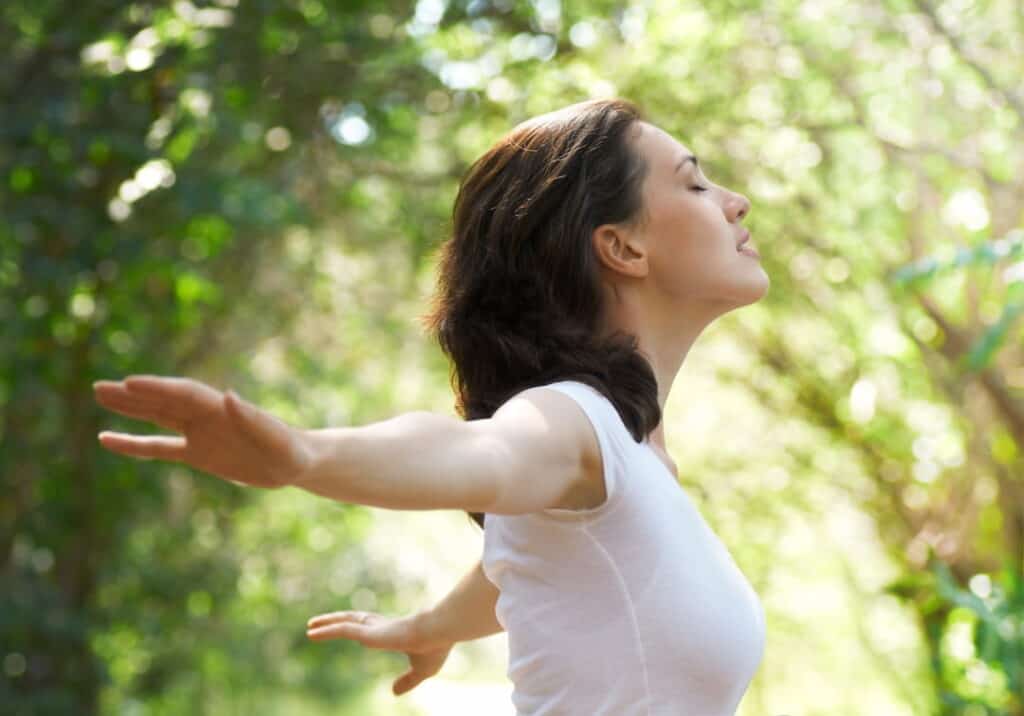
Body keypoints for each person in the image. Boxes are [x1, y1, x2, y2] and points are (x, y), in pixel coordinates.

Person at [94, 97, 770, 715]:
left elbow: (529, 565)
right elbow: (477, 451)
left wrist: (433, 625)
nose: (735, 201)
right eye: (695, 182)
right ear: (622, 246)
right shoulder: (574, 421)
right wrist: (305, 455)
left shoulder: (632, 457)